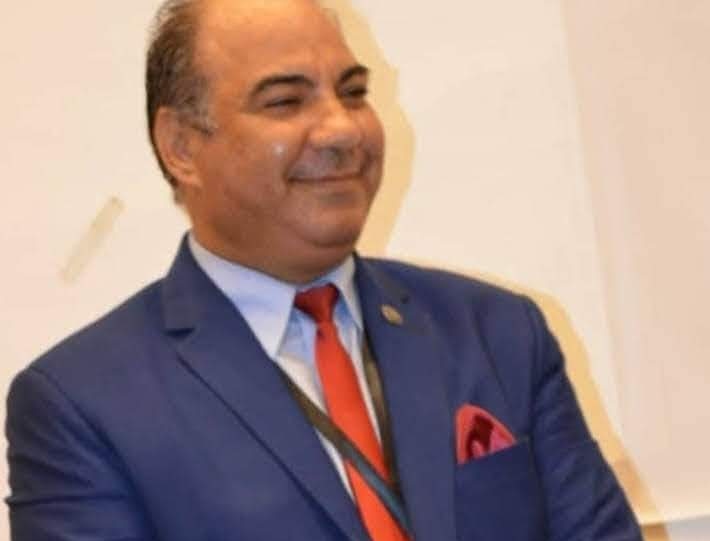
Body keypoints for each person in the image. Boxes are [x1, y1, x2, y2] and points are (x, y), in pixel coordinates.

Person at [5, 0, 642, 540]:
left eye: (354, 93)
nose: (342, 129)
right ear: (180, 147)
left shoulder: (498, 333)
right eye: (286, 101)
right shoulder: (82, 406)